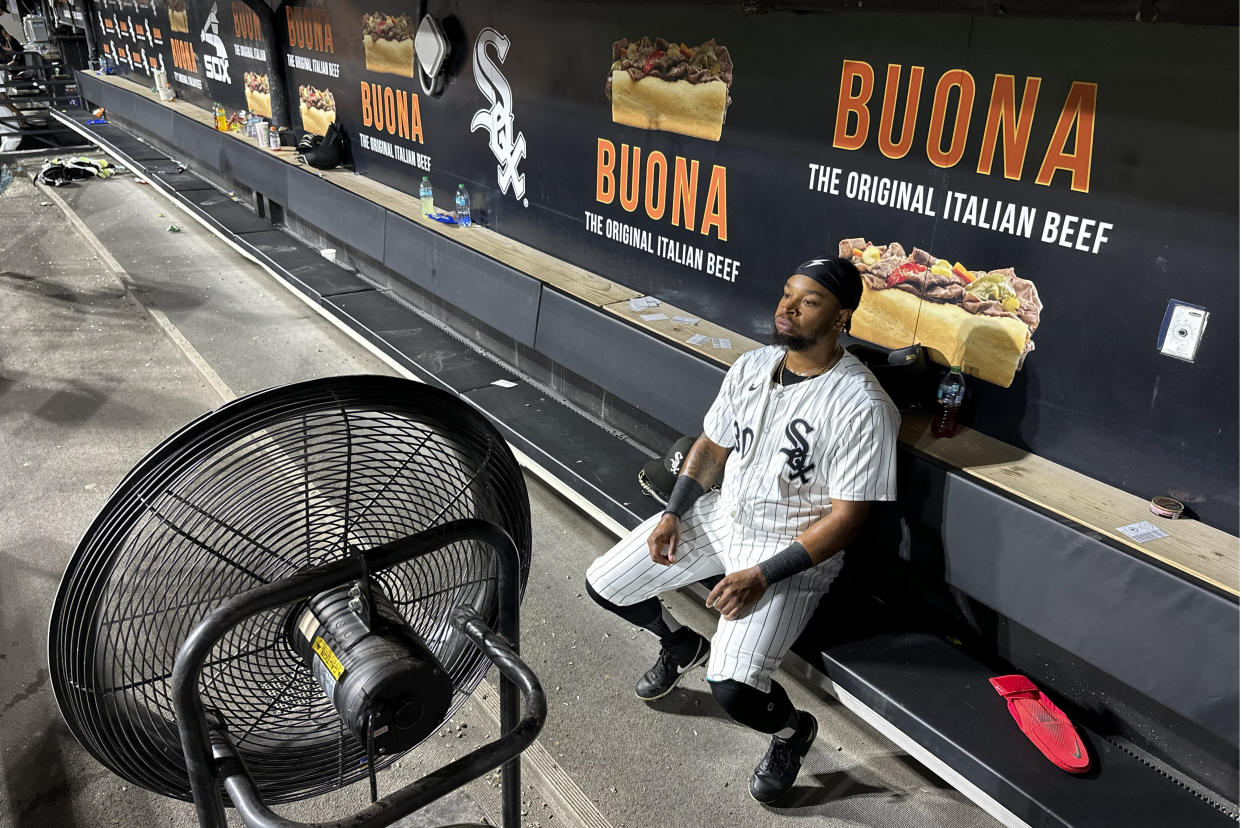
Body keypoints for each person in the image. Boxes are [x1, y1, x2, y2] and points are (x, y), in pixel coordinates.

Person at [585, 256, 900, 804]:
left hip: (788, 549)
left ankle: (793, 733)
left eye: (809, 302)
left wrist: (761, 574)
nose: (788, 308)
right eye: (787, 294)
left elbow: (848, 519)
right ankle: (678, 643)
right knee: (605, 583)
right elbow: (710, 447)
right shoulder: (753, 366)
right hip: (722, 515)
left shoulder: (862, 404)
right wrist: (674, 512)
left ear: (841, 318)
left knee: (732, 689)